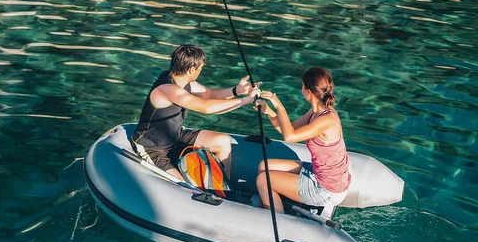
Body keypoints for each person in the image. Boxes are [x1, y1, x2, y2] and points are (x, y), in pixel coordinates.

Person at [132, 44, 260, 180]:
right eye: (200, 68)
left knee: (222, 141)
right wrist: (246, 100)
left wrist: (237, 91)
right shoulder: (168, 89)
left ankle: (223, 188)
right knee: (183, 187)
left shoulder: (182, 80)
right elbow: (206, 107)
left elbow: (209, 94)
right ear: (191, 69)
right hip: (152, 148)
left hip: (175, 138)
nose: (200, 70)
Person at [254, 67, 351, 213]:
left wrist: (279, 105)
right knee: (264, 166)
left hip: (326, 189)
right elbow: (287, 129)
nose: (301, 89)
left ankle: (280, 220)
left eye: (302, 86)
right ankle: (267, 207)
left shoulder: (327, 120)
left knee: (263, 180)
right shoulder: (315, 112)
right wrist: (268, 110)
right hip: (318, 173)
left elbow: (290, 137)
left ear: (308, 91)